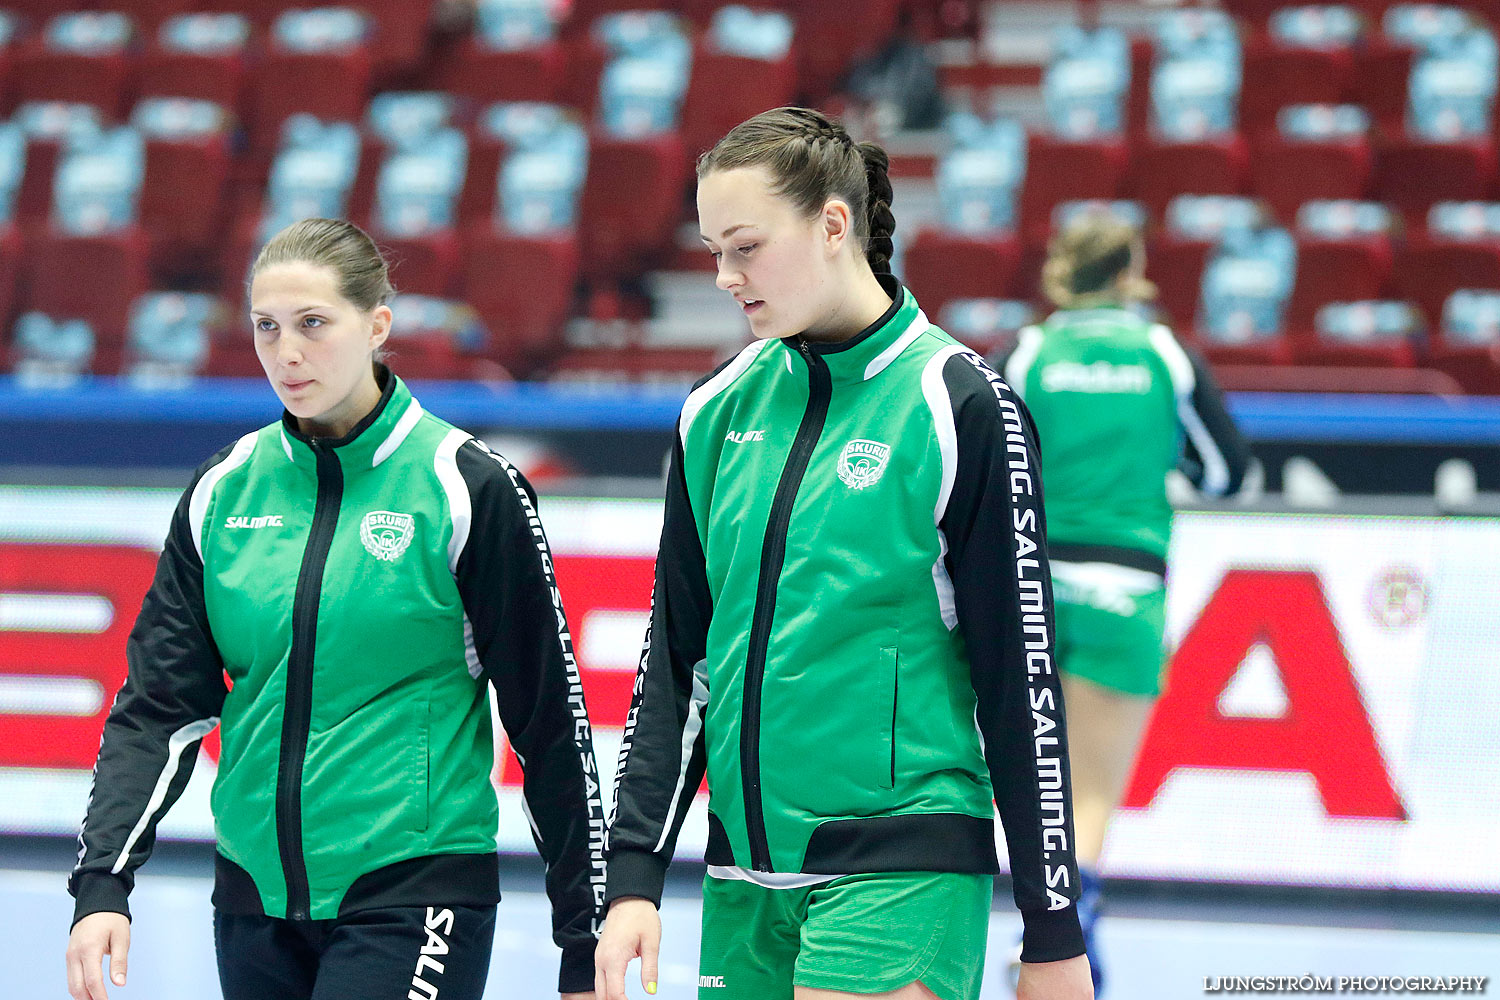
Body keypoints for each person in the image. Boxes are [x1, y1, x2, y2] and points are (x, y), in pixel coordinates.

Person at [594, 107, 1093, 1000]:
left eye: (745, 246)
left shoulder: (958, 404)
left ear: (833, 224)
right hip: (743, 878)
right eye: (713, 250)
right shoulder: (715, 408)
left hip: (903, 864)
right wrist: (634, 874)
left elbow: (1022, 684)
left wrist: (1052, 933)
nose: (722, 276)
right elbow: (677, 662)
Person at [64, 218, 604, 1000]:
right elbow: (155, 708)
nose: (287, 353)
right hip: (253, 900)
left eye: (314, 324)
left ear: (377, 325)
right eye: (267, 327)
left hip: (415, 890)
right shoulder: (224, 491)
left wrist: (582, 933)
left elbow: (550, 720)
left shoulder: (466, 488)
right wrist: (103, 883)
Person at [994, 210, 1252, 995]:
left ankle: (1027, 927)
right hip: (1125, 586)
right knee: (1092, 794)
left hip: (1030, 587)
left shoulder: (1031, 350)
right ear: (1132, 268)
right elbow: (1228, 474)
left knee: (1028, 781)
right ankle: (1065, 944)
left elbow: (985, 459)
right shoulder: (1166, 354)